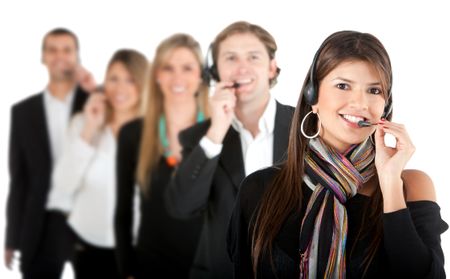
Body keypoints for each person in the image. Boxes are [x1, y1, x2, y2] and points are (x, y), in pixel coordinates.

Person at [227, 30, 448, 278]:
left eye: (374, 91)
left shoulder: (410, 186)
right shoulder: (259, 189)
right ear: (313, 96)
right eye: (343, 86)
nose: (360, 103)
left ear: (386, 106)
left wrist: (390, 185)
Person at [165, 21, 295, 279]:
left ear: (271, 67)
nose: (242, 68)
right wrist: (216, 133)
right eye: (231, 58)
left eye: (253, 57)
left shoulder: (306, 128)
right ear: (215, 72)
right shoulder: (200, 138)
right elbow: (181, 206)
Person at [46, 49, 148, 279]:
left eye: (130, 80)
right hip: (86, 243)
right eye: (113, 78)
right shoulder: (82, 122)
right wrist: (90, 128)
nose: (120, 88)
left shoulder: (151, 133)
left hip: (137, 246)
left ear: (143, 85)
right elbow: (64, 185)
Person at [114, 33, 209, 279]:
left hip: (207, 267)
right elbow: (123, 211)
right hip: (150, 266)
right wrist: (127, 271)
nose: (177, 78)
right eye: (168, 68)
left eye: (187, 68)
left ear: (200, 75)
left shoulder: (218, 134)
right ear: (156, 75)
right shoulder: (133, 134)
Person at [4, 28, 94, 279]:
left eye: (67, 50)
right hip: (40, 223)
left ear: (77, 57)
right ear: (43, 57)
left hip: (88, 219)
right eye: (52, 50)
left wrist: (96, 90)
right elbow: (19, 180)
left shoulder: (95, 104)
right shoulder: (22, 112)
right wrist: (11, 237)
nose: (60, 56)